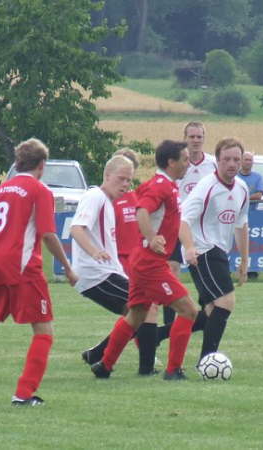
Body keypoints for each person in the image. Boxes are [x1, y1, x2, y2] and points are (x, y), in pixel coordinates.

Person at [0, 138, 78, 407]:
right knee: (44, 330)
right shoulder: (39, 190)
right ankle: (23, 394)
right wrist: (67, 267)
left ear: (18, 162)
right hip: (22, 267)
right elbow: (47, 234)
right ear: (42, 165)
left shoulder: (0, 190)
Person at [90, 140, 199, 380]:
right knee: (189, 310)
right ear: (171, 162)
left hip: (144, 261)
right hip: (151, 264)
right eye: (184, 159)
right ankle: (173, 370)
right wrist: (151, 237)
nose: (187, 163)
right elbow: (142, 211)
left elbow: (137, 201)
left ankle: (104, 365)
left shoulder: (160, 184)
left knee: (137, 314)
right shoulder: (162, 186)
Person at [75, 149, 159, 375]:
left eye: (129, 180)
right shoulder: (95, 197)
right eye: (121, 179)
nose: (125, 184)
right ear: (107, 175)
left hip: (106, 272)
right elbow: (76, 229)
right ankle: (146, 367)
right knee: (144, 307)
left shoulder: (108, 202)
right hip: (96, 274)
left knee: (136, 313)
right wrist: (94, 252)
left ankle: (99, 356)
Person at [179, 137, 250, 360]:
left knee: (211, 312)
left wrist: (244, 262)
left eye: (236, 160)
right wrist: (189, 248)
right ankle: (207, 360)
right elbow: (182, 221)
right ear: (217, 160)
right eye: (227, 159)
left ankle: (154, 335)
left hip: (220, 251)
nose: (232, 164)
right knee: (226, 302)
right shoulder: (206, 187)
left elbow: (241, 225)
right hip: (203, 250)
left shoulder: (242, 188)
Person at [164, 121, 217, 327]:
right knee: (172, 271)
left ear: (204, 138)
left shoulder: (212, 164)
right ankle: (168, 325)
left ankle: (207, 320)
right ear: (185, 138)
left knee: (204, 275)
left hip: (202, 230)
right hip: (176, 225)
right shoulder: (176, 163)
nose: (195, 140)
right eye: (191, 136)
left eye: (199, 137)